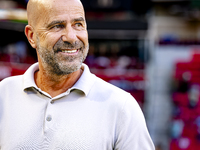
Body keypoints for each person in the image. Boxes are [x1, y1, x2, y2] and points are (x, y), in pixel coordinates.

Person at [0, 0, 155, 149]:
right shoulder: (3, 94)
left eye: (78, 24)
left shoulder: (122, 107)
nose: (72, 37)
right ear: (32, 36)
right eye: (57, 26)